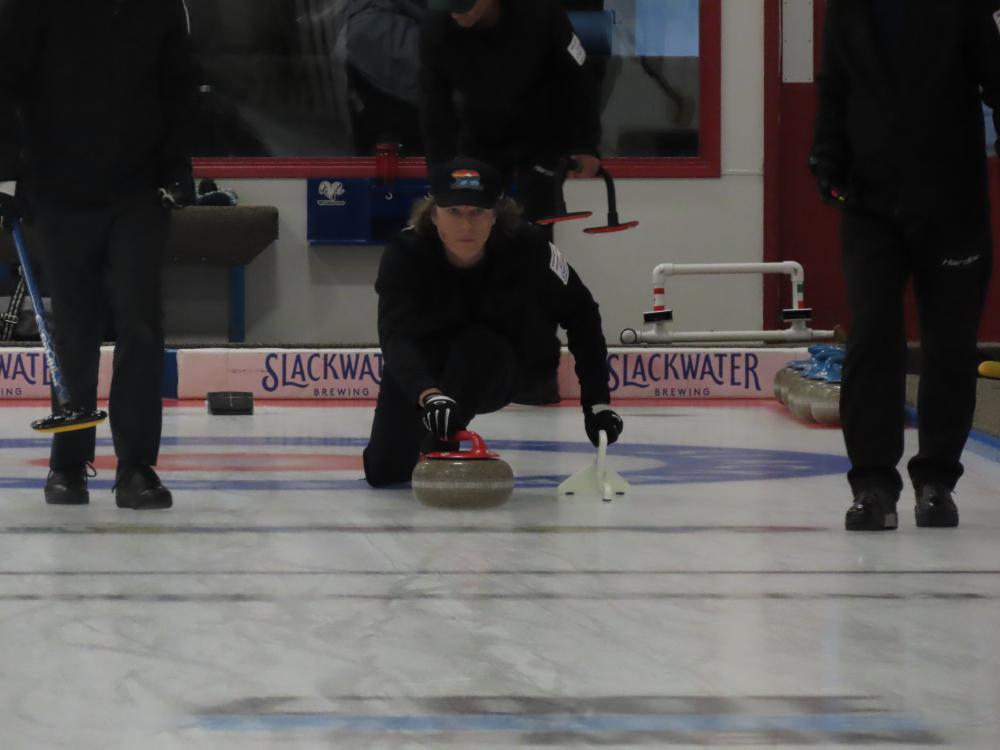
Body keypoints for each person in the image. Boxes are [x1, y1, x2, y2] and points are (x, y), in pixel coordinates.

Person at [0, 0, 199, 509]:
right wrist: (6, 170)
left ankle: (136, 467)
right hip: (58, 190)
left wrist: (178, 166)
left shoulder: (160, 6)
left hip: (139, 190)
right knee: (75, 327)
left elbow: (178, 87)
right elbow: (6, 79)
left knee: (141, 322)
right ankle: (68, 463)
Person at [811, 0, 1000, 530]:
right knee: (872, 334)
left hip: (952, 202)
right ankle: (872, 484)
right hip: (869, 202)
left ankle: (937, 479)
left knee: (950, 343)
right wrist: (826, 156)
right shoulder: (847, 9)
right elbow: (834, 86)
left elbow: (996, 76)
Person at [362, 157, 622, 487]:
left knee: (476, 346)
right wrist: (427, 395)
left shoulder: (530, 247)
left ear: (495, 215)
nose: (466, 226)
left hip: (497, 364)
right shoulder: (404, 254)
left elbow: (582, 314)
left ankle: (441, 443)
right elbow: (395, 337)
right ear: (433, 214)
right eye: (454, 212)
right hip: (425, 366)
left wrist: (596, 402)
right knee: (384, 473)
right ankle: (435, 423)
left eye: (477, 212)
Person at [419, 0, 604, 404]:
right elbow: (435, 106)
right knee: (466, 250)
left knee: (534, 254)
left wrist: (585, 143)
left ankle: (537, 374)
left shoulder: (542, 14)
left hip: (543, 138)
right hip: (479, 140)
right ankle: (465, 368)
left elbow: (579, 78)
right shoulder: (437, 28)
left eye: (464, 4)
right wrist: (441, 177)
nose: (456, 13)